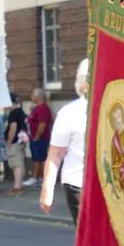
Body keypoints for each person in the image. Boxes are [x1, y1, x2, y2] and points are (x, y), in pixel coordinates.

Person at [38, 59, 90, 223]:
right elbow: (56, 153)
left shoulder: (115, 107)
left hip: (111, 186)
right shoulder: (69, 113)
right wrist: (47, 189)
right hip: (79, 182)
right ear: (83, 85)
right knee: (87, 234)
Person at [3, 98, 30, 194]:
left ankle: (17, 187)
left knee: (16, 165)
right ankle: (20, 185)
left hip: (15, 142)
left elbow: (13, 129)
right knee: (20, 163)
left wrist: (9, 142)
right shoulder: (21, 112)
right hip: (21, 140)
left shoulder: (13, 113)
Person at [26, 89, 53, 171]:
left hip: (40, 138)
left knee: (39, 158)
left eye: (33, 95)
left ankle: (39, 176)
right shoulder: (36, 108)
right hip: (34, 137)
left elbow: (42, 124)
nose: (31, 97)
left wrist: (37, 137)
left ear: (38, 97)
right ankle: (38, 176)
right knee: (36, 158)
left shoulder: (43, 108)